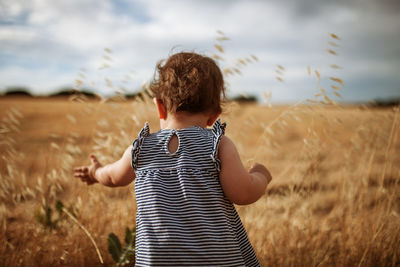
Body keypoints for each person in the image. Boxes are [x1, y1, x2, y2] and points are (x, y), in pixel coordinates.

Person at [74, 52, 272, 266]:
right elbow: (242, 193)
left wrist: (96, 172)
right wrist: (260, 176)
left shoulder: (140, 148)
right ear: (214, 115)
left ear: (159, 106)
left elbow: (112, 177)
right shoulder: (218, 145)